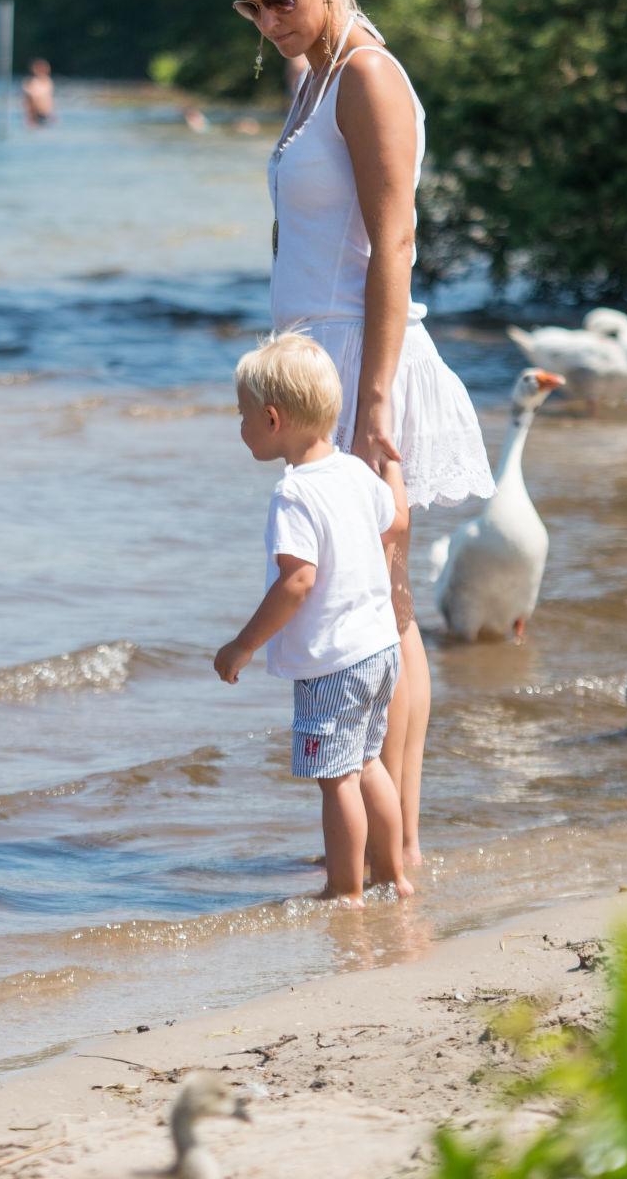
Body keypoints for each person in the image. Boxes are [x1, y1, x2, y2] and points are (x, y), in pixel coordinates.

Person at [227, 0, 495, 880]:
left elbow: (394, 245)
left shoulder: (367, 78)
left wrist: (373, 402)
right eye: (249, 6)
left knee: (379, 609)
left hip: (361, 366)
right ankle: (378, 840)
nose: (266, 21)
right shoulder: (310, 74)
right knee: (351, 608)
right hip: (313, 367)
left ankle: (402, 844)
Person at [213, 333, 408, 901]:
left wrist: (242, 646)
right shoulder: (353, 471)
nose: (240, 427)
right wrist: (392, 467)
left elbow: (297, 582)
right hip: (379, 648)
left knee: (337, 778)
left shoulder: (293, 495)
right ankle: (393, 877)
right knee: (370, 764)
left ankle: (344, 891)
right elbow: (393, 523)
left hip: (334, 663)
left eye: (242, 416)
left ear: (273, 419)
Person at [20, 59, 56, 126]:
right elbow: (28, 100)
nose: (43, 70)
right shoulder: (31, 83)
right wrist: (31, 117)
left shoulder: (48, 81)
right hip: (36, 115)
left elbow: (49, 100)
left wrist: (51, 114)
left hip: (46, 114)